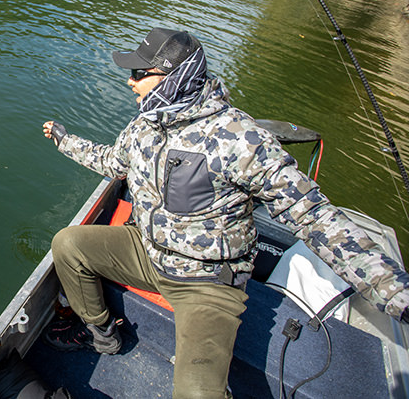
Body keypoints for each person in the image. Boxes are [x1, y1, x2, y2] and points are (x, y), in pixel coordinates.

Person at [41, 27, 409, 399]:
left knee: (197, 393)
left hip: (206, 282)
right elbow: (110, 162)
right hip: (148, 251)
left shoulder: (239, 138)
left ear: (173, 78)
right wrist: (63, 138)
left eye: (139, 74)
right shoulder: (142, 128)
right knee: (69, 245)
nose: (129, 82)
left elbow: (315, 217)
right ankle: (103, 335)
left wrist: (396, 294)